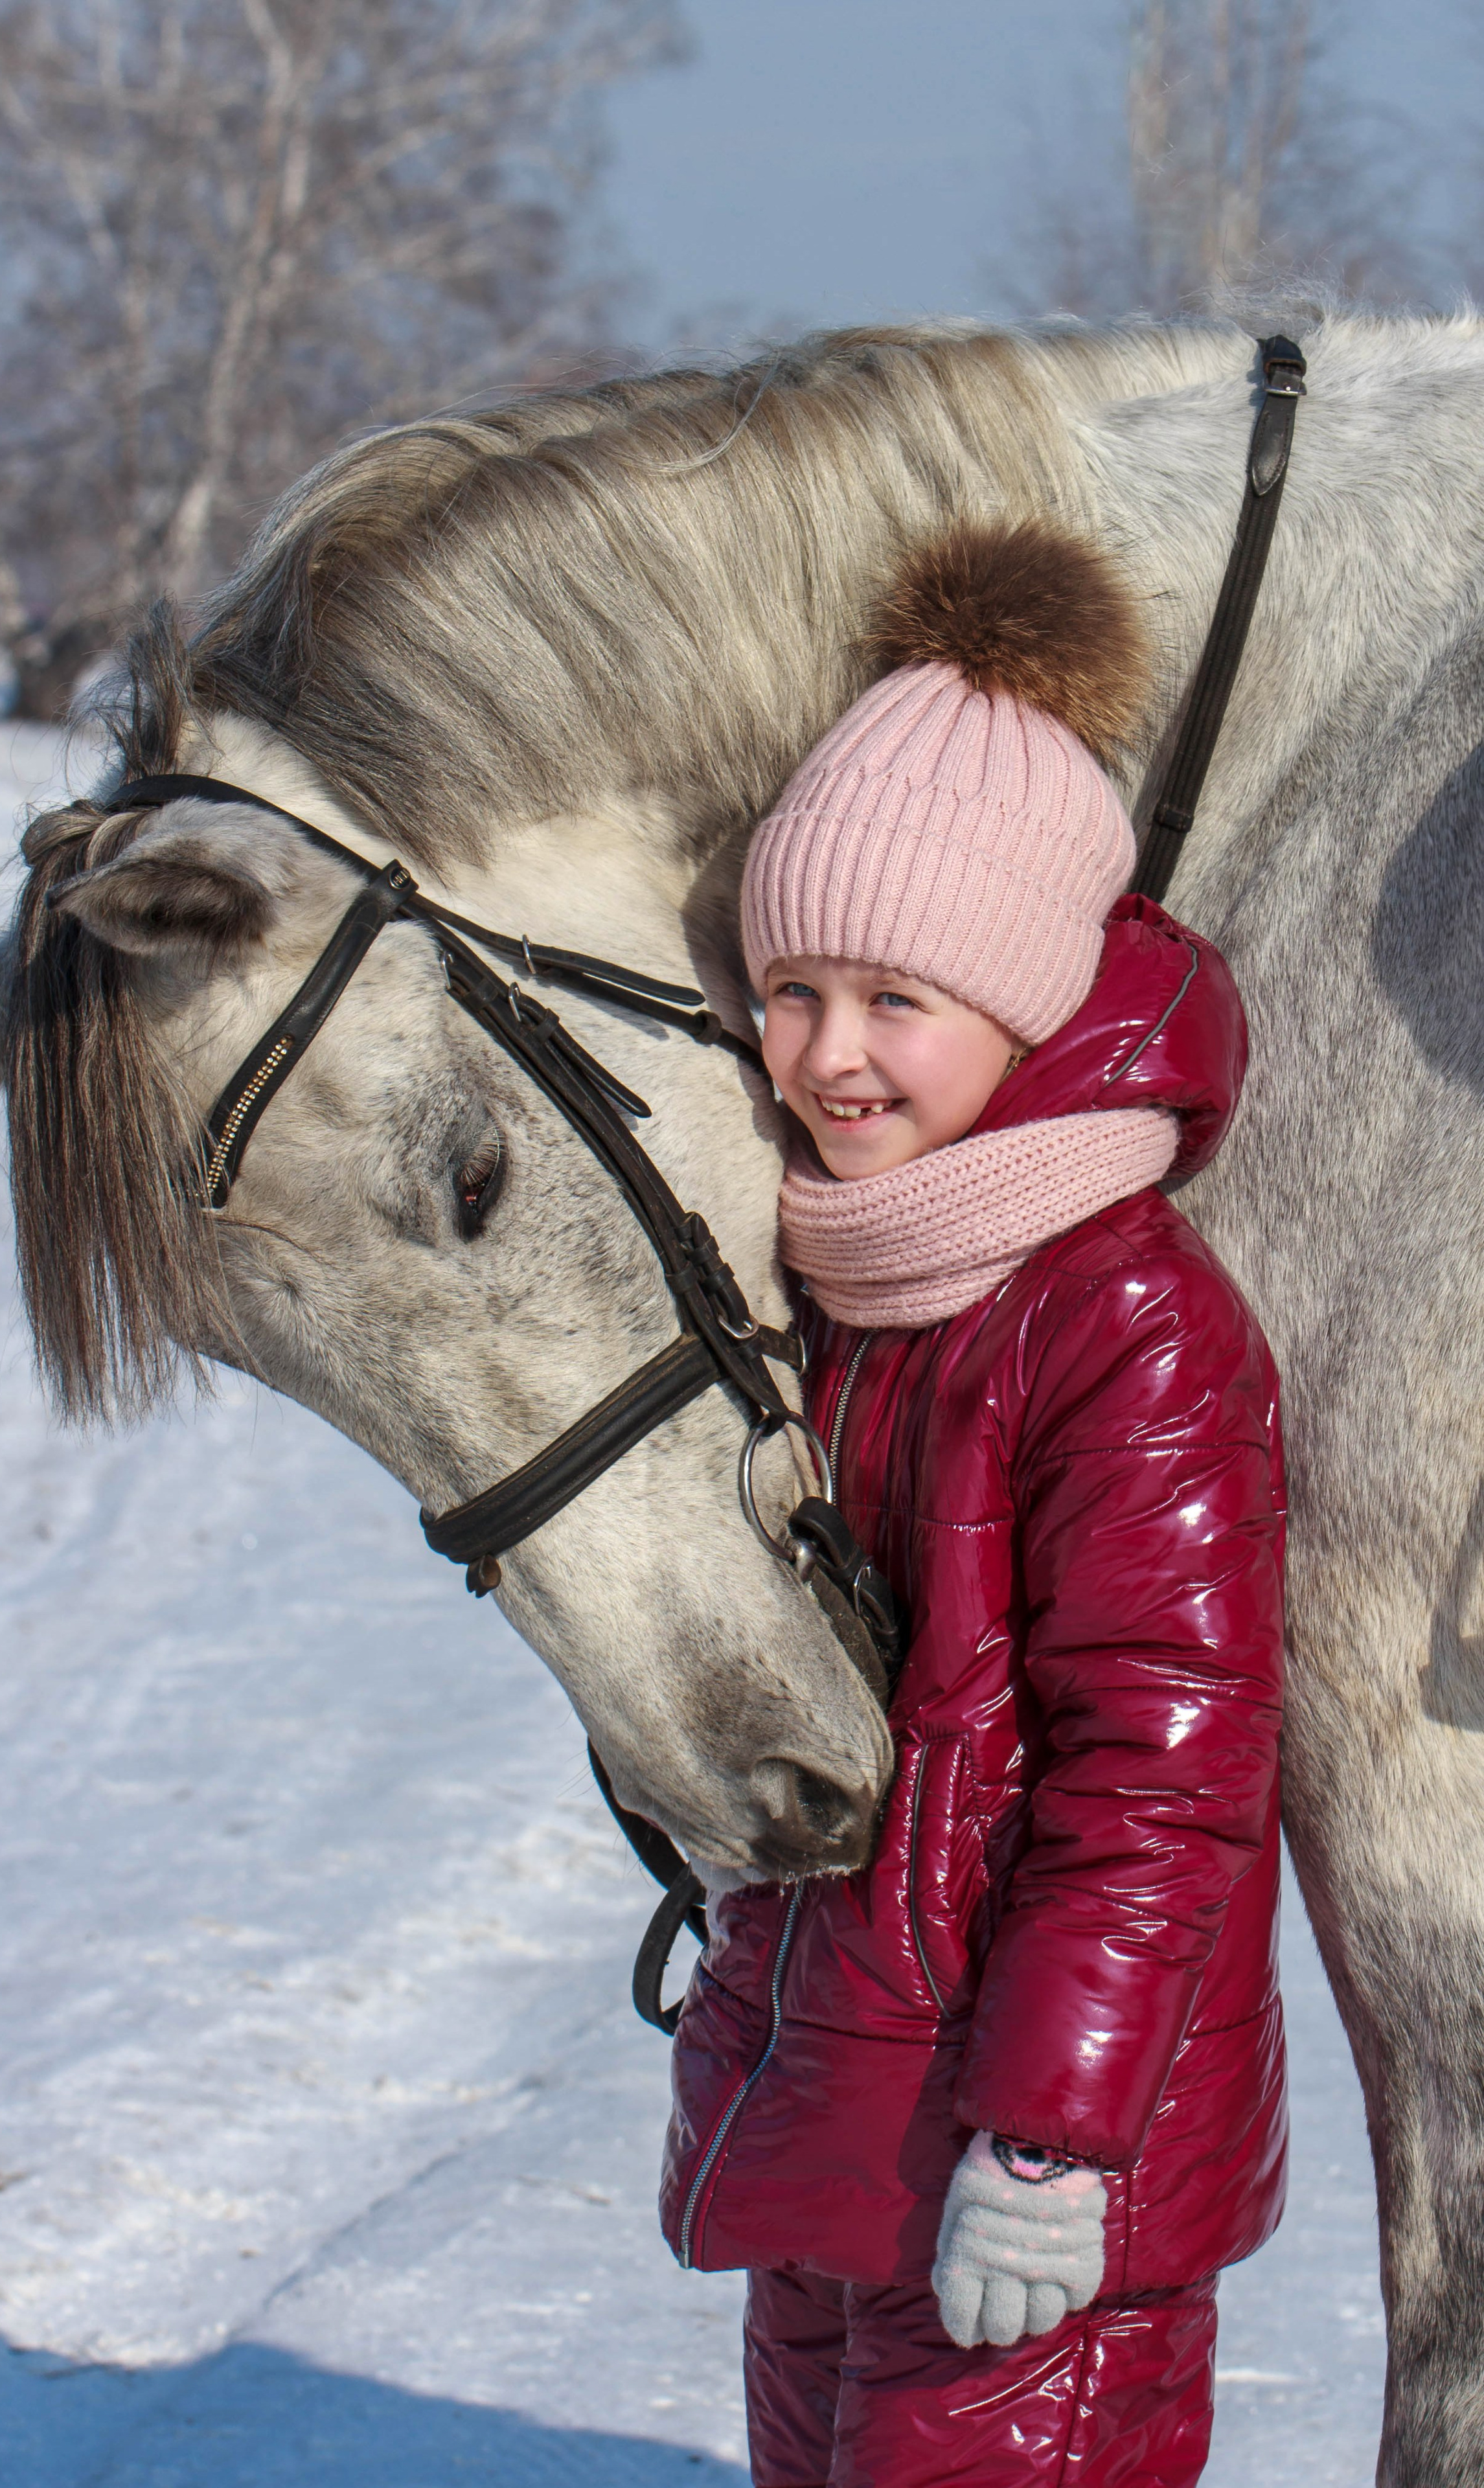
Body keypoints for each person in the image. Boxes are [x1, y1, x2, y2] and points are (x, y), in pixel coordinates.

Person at [659, 519, 1286, 2486]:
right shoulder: (838, 1280)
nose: (828, 1056)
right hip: (835, 2128)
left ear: (1026, 996)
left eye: (897, 997)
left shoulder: (1127, 1322)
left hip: (1028, 2182)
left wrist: (1052, 2134)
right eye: (791, 988)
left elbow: (1164, 1774)